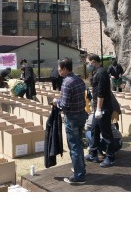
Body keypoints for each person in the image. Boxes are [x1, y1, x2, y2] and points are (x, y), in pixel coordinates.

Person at [52, 57, 87, 185]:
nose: (58, 70)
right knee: (78, 143)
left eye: (59, 68)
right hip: (81, 115)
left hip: (72, 117)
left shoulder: (67, 82)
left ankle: (79, 175)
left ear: (65, 69)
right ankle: (80, 167)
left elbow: (65, 104)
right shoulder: (78, 79)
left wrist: (56, 102)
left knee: (74, 146)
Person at [85, 54, 121, 168]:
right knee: (94, 129)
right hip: (98, 108)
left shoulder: (101, 73)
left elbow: (101, 93)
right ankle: (93, 153)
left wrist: (99, 109)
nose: (87, 65)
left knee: (106, 133)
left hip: (103, 108)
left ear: (93, 62)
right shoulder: (96, 72)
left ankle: (110, 157)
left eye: (88, 62)